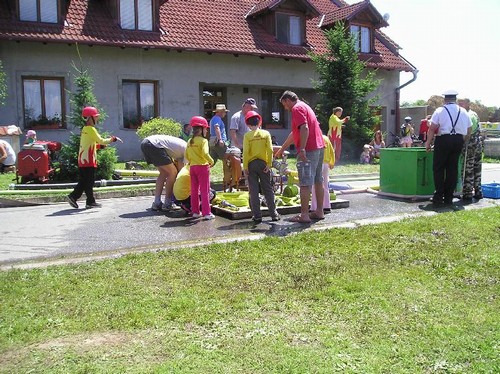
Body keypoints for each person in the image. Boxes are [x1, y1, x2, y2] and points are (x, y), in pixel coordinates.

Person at [275, 90, 325, 223]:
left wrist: (302, 149)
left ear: (287, 100)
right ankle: (319, 211)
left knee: (304, 183)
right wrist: (282, 148)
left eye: (284, 105)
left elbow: (304, 128)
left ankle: (304, 215)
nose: (285, 108)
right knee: (318, 180)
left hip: (308, 149)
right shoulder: (305, 106)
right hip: (319, 147)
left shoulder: (296, 109)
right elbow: (295, 132)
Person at [67, 106, 122, 209]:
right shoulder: (91, 129)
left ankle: (87, 200)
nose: (97, 119)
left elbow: (88, 144)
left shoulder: (85, 129)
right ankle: (76, 197)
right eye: (95, 117)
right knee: (88, 181)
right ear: (90, 118)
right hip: (88, 160)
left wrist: (99, 146)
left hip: (83, 159)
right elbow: (101, 140)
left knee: (86, 181)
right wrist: (112, 139)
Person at [425, 90, 472, 206]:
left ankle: (438, 196)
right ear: (455, 100)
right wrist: (463, 140)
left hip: (443, 139)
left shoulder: (440, 110)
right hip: (458, 140)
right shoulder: (463, 111)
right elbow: (469, 129)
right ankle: (449, 197)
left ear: (445, 100)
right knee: (452, 169)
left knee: (439, 168)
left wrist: (428, 143)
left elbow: (432, 128)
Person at [243, 110, 280, 223]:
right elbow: (270, 149)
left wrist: (245, 167)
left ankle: (257, 215)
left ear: (248, 124)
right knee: (267, 188)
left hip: (251, 164)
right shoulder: (266, 134)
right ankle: (273, 214)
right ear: (259, 122)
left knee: (253, 190)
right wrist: (269, 164)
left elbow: (245, 152)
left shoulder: (247, 136)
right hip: (264, 164)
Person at [140, 134, 187, 212]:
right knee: (173, 173)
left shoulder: (182, 147)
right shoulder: (187, 150)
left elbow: (180, 168)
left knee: (163, 173)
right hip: (154, 145)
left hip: (146, 143)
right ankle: (168, 203)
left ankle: (157, 202)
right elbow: (182, 172)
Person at [185, 115, 215, 220]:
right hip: (202, 167)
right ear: (202, 129)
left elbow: (186, 156)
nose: (206, 131)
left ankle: (195, 212)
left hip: (192, 167)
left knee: (194, 190)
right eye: (206, 129)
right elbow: (205, 153)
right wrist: (211, 161)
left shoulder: (189, 141)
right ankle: (207, 213)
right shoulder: (203, 141)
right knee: (204, 190)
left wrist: (191, 161)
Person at [458, 98, 483, 201]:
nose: (459, 105)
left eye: (461, 103)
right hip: (477, 144)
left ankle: (467, 193)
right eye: (458, 103)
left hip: (470, 145)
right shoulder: (473, 114)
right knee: (477, 168)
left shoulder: (469, 115)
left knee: (468, 168)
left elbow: (469, 131)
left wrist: (462, 141)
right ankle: (478, 191)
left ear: (468, 104)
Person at [311, 135, 335, 213]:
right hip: (326, 163)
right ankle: (327, 206)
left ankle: (314, 207)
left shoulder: (315, 137)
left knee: (315, 186)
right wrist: (332, 162)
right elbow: (332, 151)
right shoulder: (326, 138)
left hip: (318, 163)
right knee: (325, 185)